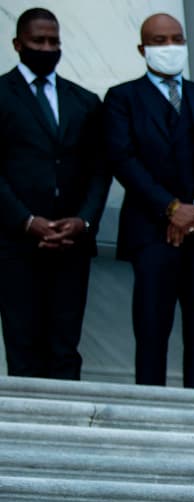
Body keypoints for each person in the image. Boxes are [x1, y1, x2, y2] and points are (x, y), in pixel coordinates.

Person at [105, 12, 194, 391]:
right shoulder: (123, 98)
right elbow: (123, 159)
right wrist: (170, 208)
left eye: (176, 38)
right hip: (152, 230)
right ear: (142, 48)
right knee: (151, 325)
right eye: (159, 41)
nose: (169, 47)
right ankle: (150, 402)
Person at [0, 7, 109, 380]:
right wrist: (27, 221)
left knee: (65, 347)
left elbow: (100, 169)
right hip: (16, 243)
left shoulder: (84, 100)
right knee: (23, 344)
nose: (47, 48)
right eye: (38, 41)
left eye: (54, 41)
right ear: (18, 44)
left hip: (71, 243)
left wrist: (84, 220)